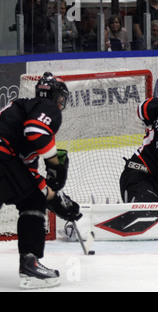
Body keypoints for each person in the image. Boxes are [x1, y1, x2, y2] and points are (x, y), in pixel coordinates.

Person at [0, 72, 82, 289]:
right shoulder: (47, 107)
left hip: (5, 158)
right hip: (2, 154)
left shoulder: (22, 112)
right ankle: (30, 263)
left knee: (32, 195)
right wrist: (54, 162)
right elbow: (36, 132)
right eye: (62, 100)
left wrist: (57, 200)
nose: (61, 105)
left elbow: (28, 179)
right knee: (33, 201)